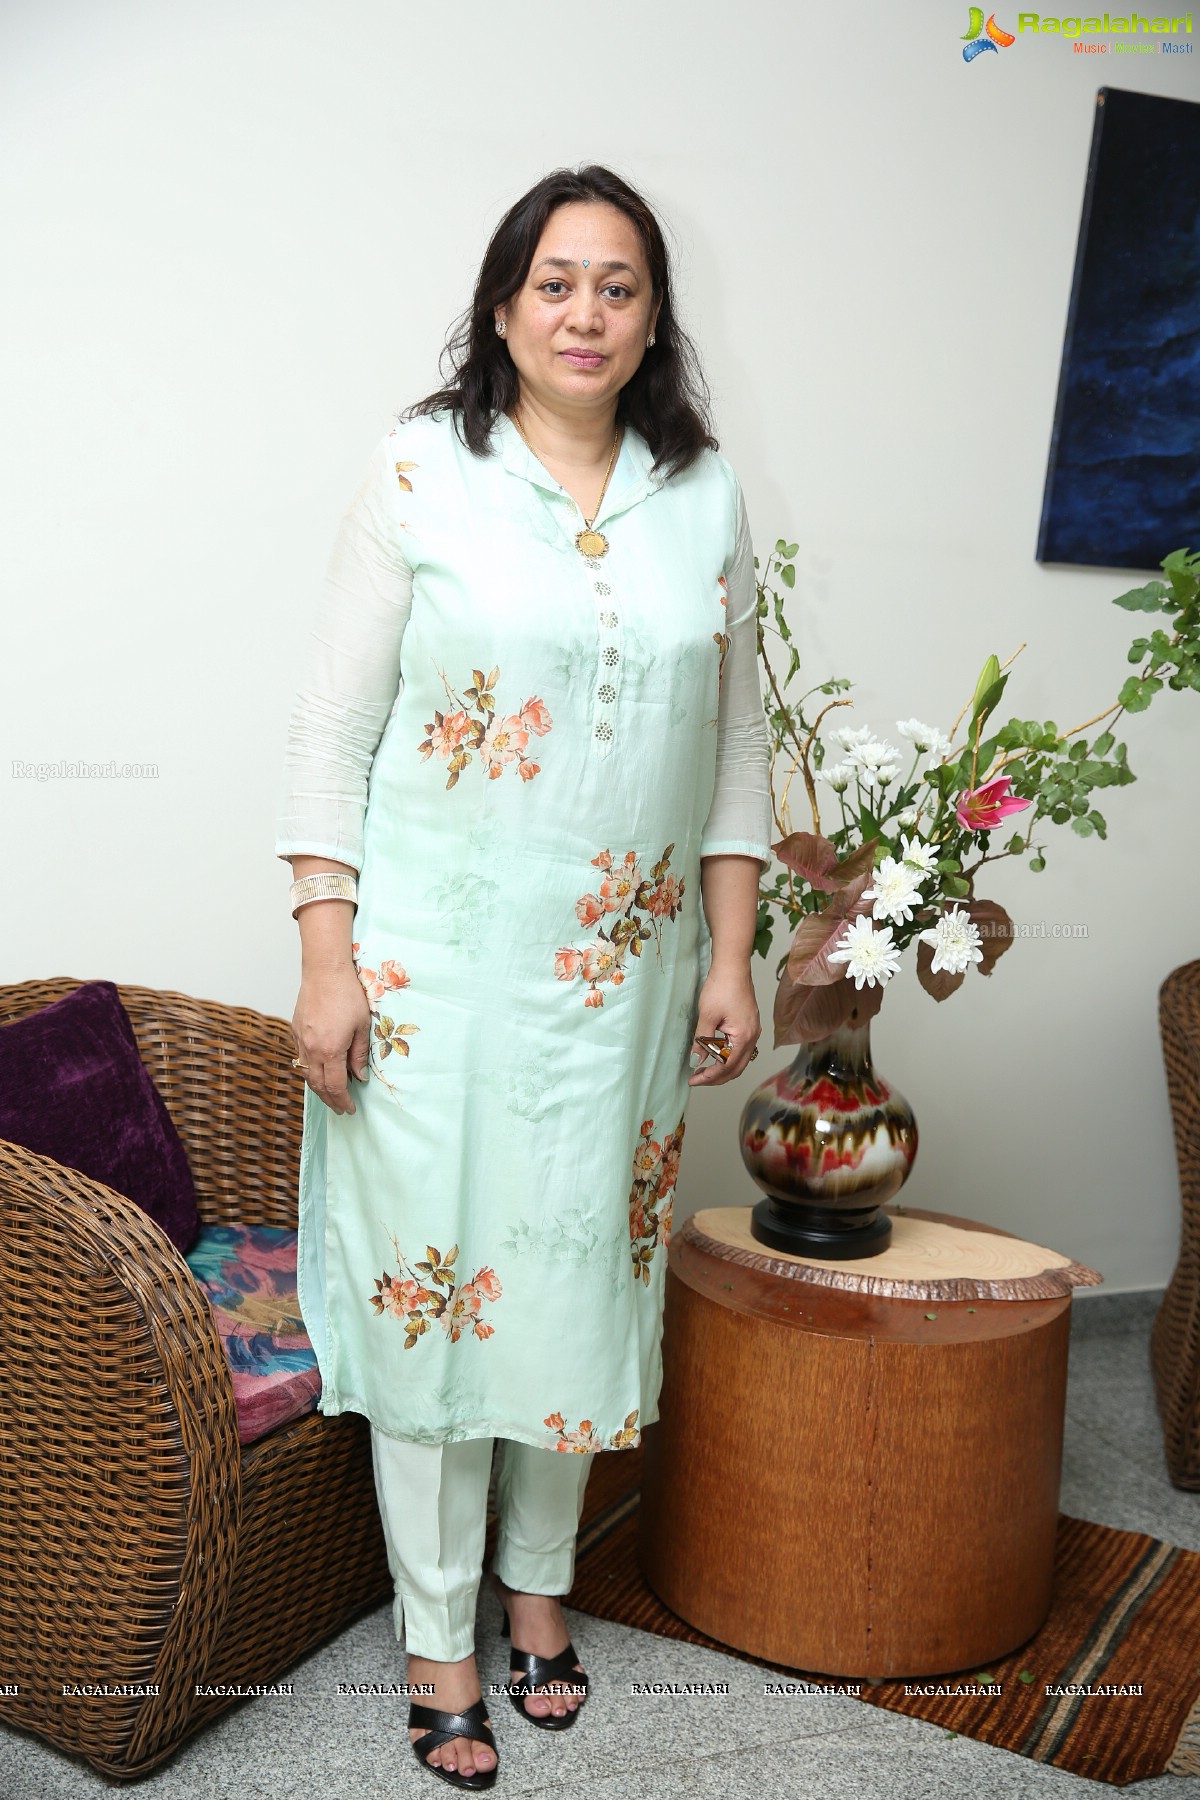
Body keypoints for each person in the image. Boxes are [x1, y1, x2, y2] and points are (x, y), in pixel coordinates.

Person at [274, 162, 772, 1791]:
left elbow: (739, 745)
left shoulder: (704, 495)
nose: (585, 312)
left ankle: (536, 1594)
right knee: (434, 1301)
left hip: (620, 990)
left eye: (618, 286)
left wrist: (733, 950)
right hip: (429, 982)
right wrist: (328, 959)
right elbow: (332, 734)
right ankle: (436, 1633)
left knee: (573, 1284)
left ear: (652, 320)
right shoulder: (422, 470)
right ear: (503, 307)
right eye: (555, 282)